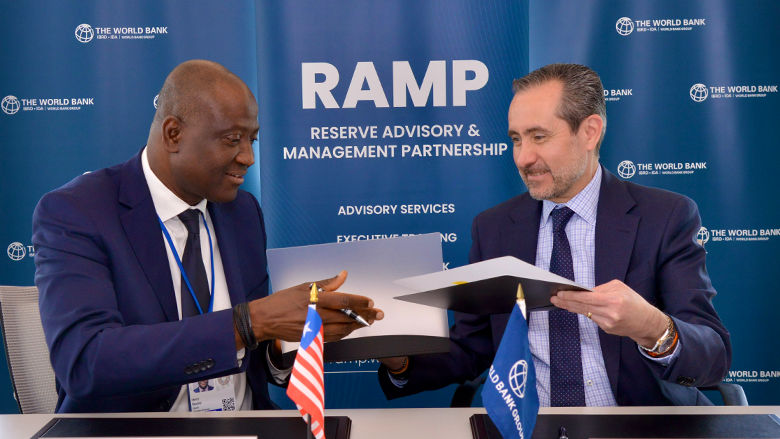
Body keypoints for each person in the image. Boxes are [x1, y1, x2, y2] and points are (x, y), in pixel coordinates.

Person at [33, 59, 382, 413]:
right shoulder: (78, 212)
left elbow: (255, 355)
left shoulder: (242, 212)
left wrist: (284, 337)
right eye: (233, 139)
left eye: (252, 139)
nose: (248, 157)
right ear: (173, 134)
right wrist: (251, 322)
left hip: (247, 428)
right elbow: (86, 361)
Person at [378, 63, 730, 406]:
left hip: (637, 429)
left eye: (539, 137)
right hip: (528, 428)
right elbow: (473, 348)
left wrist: (654, 328)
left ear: (590, 131)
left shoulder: (664, 217)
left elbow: (712, 358)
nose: (523, 158)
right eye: (516, 139)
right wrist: (401, 361)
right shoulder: (494, 228)